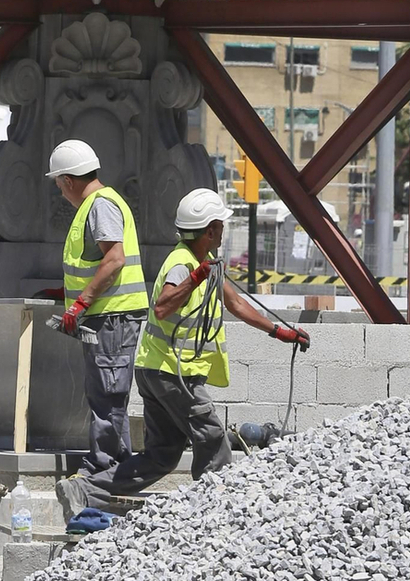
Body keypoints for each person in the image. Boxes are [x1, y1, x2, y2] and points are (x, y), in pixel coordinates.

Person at [113, 188, 308, 492]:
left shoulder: (206, 262)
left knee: (163, 455)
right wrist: (194, 278)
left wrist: (279, 331)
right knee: (212, 435)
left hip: (159, 369)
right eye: (221, 225)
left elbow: (237, 304)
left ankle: (89, 490)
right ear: (210, 229)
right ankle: (214, 501)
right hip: (173, 373)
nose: (223, 231)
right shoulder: (185, 264)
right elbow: (163, 307)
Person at [48, 138, 148, 487]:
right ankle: (116, 464)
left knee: (108, 392)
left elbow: (115, 259)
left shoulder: (100, 205)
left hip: (113, 316)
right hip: (107, 316)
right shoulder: (97, 204)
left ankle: (105, 468)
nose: (61, 192)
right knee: (106, 392)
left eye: (59, 184)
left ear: (69, 181)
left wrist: (81, 302)